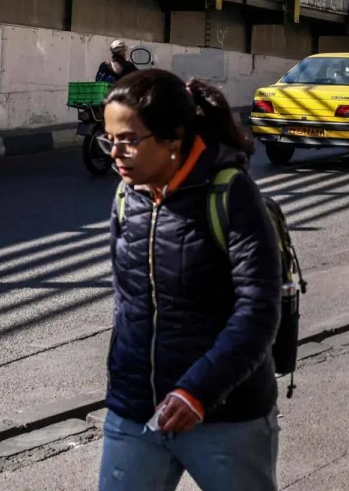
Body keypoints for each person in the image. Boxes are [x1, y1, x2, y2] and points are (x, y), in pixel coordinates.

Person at [98, 69, 282, 491]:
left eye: (128, 139)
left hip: (224, 414)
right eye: (109, 139)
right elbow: (126, 302)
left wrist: (197, 392)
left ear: (173, 139)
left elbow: (257, 308)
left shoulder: (229, 194)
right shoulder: (127, 196)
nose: (115, 152)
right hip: (135, 411)